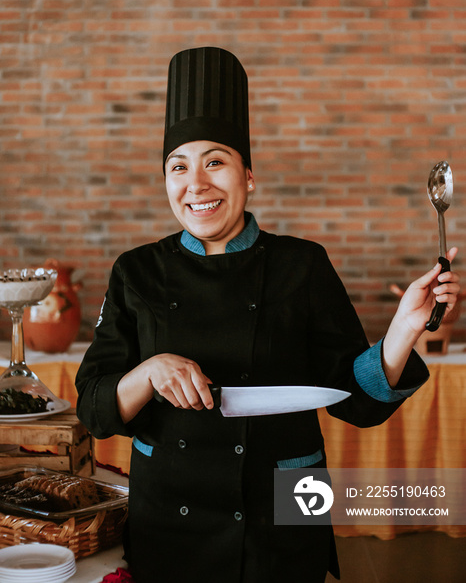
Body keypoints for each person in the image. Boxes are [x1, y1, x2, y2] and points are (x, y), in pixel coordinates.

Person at [75, 47, 460, 583]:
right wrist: (147, 372)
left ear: (248, 176)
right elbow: (92, 407)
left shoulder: (302, 264)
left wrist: (403, 331)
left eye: (215, 161)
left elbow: (354, 401)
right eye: (178, 167)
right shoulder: (135, 270)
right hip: (170, 515)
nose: (196, 183)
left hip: (288, 506)